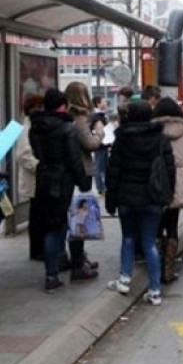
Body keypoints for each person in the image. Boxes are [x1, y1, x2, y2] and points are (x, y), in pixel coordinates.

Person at [105, 101, 176, 306]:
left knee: (128, 238)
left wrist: (111, 199)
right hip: (152, 199)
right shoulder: (161, 139)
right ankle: (154, 291)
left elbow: (113, 172)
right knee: (149, 242)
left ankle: (125, 280)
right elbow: (169, 170)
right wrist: (167, 195)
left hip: (126, 199)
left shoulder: (122, 139)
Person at [30, 88, 94, 292]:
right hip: (65, 182)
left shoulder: (36, 127)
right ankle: (76, 266)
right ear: (63, 105)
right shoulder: (67, 128)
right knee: (73, 226)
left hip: (44, 180)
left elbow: (38, 153)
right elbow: (74, 160)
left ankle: (51, 273)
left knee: (51, 227)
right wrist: (83, 182)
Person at [153, 97, 183, 283]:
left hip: (158, 179)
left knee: (157, 225)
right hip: (180, 179)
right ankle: (169, 270)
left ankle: (156, 266)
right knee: (173, 224)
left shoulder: (153, 130)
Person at [65, 81, 103, 275]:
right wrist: (100, 134)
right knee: (79, 220)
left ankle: (80, 259)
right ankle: (78, 265)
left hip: (71, 172)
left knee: (75, 218)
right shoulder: (80, 118)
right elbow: (89, 143)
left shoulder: (68, 116)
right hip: (82, 171)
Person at [16, 93, 46, 260]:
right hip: (34, 179)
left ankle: (38, 248)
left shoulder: (33, 126)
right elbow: (23, 155)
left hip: (38, 178)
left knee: (38, 214)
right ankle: (36, 249)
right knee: (36, 215)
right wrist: (40, 167)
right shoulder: (26, 128)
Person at [92, 95, 109, 198]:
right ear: (98, 103)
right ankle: (101, 188)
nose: (106, 103)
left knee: (103, 166)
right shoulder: (97, 117)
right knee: (99, 167)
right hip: (100, 145)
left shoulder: (99, 115)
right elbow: (100, 131)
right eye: (104, 101)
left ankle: (103, 188)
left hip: (103, 145)